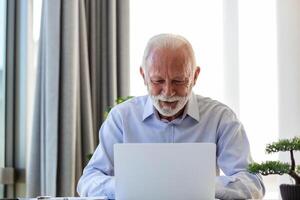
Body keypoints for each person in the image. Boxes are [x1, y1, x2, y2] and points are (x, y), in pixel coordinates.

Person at [77, 34, 265, 199]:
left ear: (195, 76)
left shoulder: (220, 118)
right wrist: (128, 187)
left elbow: (253, 182)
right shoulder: (122, 118)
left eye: (178, 80)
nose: (168, 92)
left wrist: (202, 187)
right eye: (158, 81)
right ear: (143, 75)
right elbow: (88, 181)